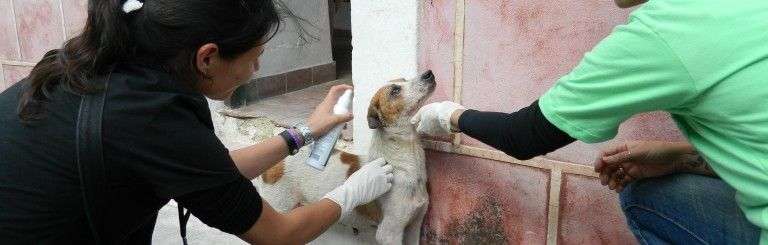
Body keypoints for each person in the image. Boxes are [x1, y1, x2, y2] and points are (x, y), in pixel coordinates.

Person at [0, 0, 393, 244]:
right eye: (254, 58)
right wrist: (353, 191)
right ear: (207, 57)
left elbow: (208, 172)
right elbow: (279, 235)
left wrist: (305, 132)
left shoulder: (100, 69)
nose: (255, 71)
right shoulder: (151, 118)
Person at [411, 0, 768, 243]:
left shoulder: (664, 35)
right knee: (654, 194)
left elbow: (523, 135)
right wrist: (682, 155)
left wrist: (446, 115)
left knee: (644, 200)